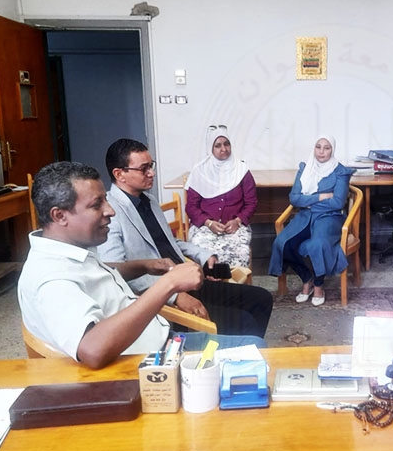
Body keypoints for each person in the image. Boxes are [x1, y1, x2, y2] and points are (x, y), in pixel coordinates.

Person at [18, 162, 262, 369]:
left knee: (254, 343)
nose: (110, 211)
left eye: (106, 200)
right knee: (256, 351)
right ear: (60, 216)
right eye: (96, 204)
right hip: (147, 363)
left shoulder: (68, 250)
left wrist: (144, 265)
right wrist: (168, 285)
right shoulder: (52, 278)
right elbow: (92, 350)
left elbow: (100, 276)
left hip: (160, 340)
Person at [98, 139, 272, 338]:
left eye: (151, 166)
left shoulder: (149, 201)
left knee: (262, 299)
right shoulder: (110, 213)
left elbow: (171, 243)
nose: (151, 173)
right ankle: (233, 350)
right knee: (243, 321)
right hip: (162, 294)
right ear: (119, 174)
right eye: (144, 169)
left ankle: (244, 350)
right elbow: (117, 273)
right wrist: (174, 296)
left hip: (185, 280)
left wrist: (204, 256)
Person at [268, 135, 354, 306]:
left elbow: (337, 203)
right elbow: (294, 198)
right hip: (305, 216)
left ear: (333, 150)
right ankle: (307, 278)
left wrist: (307, 201)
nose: (321, 152)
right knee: (282, 243)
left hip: (329, 217)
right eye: (318, 147)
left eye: (327, 148)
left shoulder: (340, 172)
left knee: (318, 244)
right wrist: (321, 197)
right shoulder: (305, 168)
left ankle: (319, 285)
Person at [185, 125, 257, 268]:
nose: (224, 149)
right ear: (210, 149)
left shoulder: (242, 170)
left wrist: (237, 221)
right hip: (205, 227)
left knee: (240, 251)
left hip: (236, 227)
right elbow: (191, 207)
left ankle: (236, 283)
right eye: (218, 145)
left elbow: (251, 203)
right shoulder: (199, 171)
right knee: (203, 250)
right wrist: (208, 223)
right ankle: (208, 282)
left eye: (226, 144)